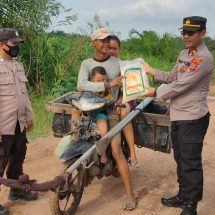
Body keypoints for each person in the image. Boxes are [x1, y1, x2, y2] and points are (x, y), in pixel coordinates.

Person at [143, 16, 213, 215]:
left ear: (203, 33)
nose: (186, 36)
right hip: (178, 115)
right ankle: (183, 195)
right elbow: (174, 76)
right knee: (181, 158)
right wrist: (151, 71)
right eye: (183, 32)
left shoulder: (203, 58)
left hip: (193, 117)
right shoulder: (184, 53)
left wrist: (155, 93)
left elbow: (182, 85)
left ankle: (191, 205)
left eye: (191, 32)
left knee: (190, 162)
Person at [73, 28, 138, 210]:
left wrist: (119, 100)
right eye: (102, 40)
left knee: (116, 148)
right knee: (77, 138)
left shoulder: (118, 63)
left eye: (108, 39)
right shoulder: (86, 64)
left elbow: (127, 86)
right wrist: (109, 83)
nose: (106, 42)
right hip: (90, 109)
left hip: (110, 112)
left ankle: (131, 195)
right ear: (93, 43)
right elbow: (81, 84)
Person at [0, 28, 38, 215]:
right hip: (3, 125)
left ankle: (16, 190)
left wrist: (29, 116)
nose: (16, 47)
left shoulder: (18, 66)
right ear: (1, 44)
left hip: (19, 123)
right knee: (0, 161)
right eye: (13, 43)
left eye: (17, 44)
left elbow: (25, 94)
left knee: (18, 157)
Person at [109, 35, 138, 167]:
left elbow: (128, 89)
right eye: (108, 47)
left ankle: (132, 152)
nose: (111, 51)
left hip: (126, 96)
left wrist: (121, 100)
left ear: (119, 49)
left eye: (114, 48)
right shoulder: (100, 64)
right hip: (109, 100)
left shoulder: (124, 65)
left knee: (123, 113)